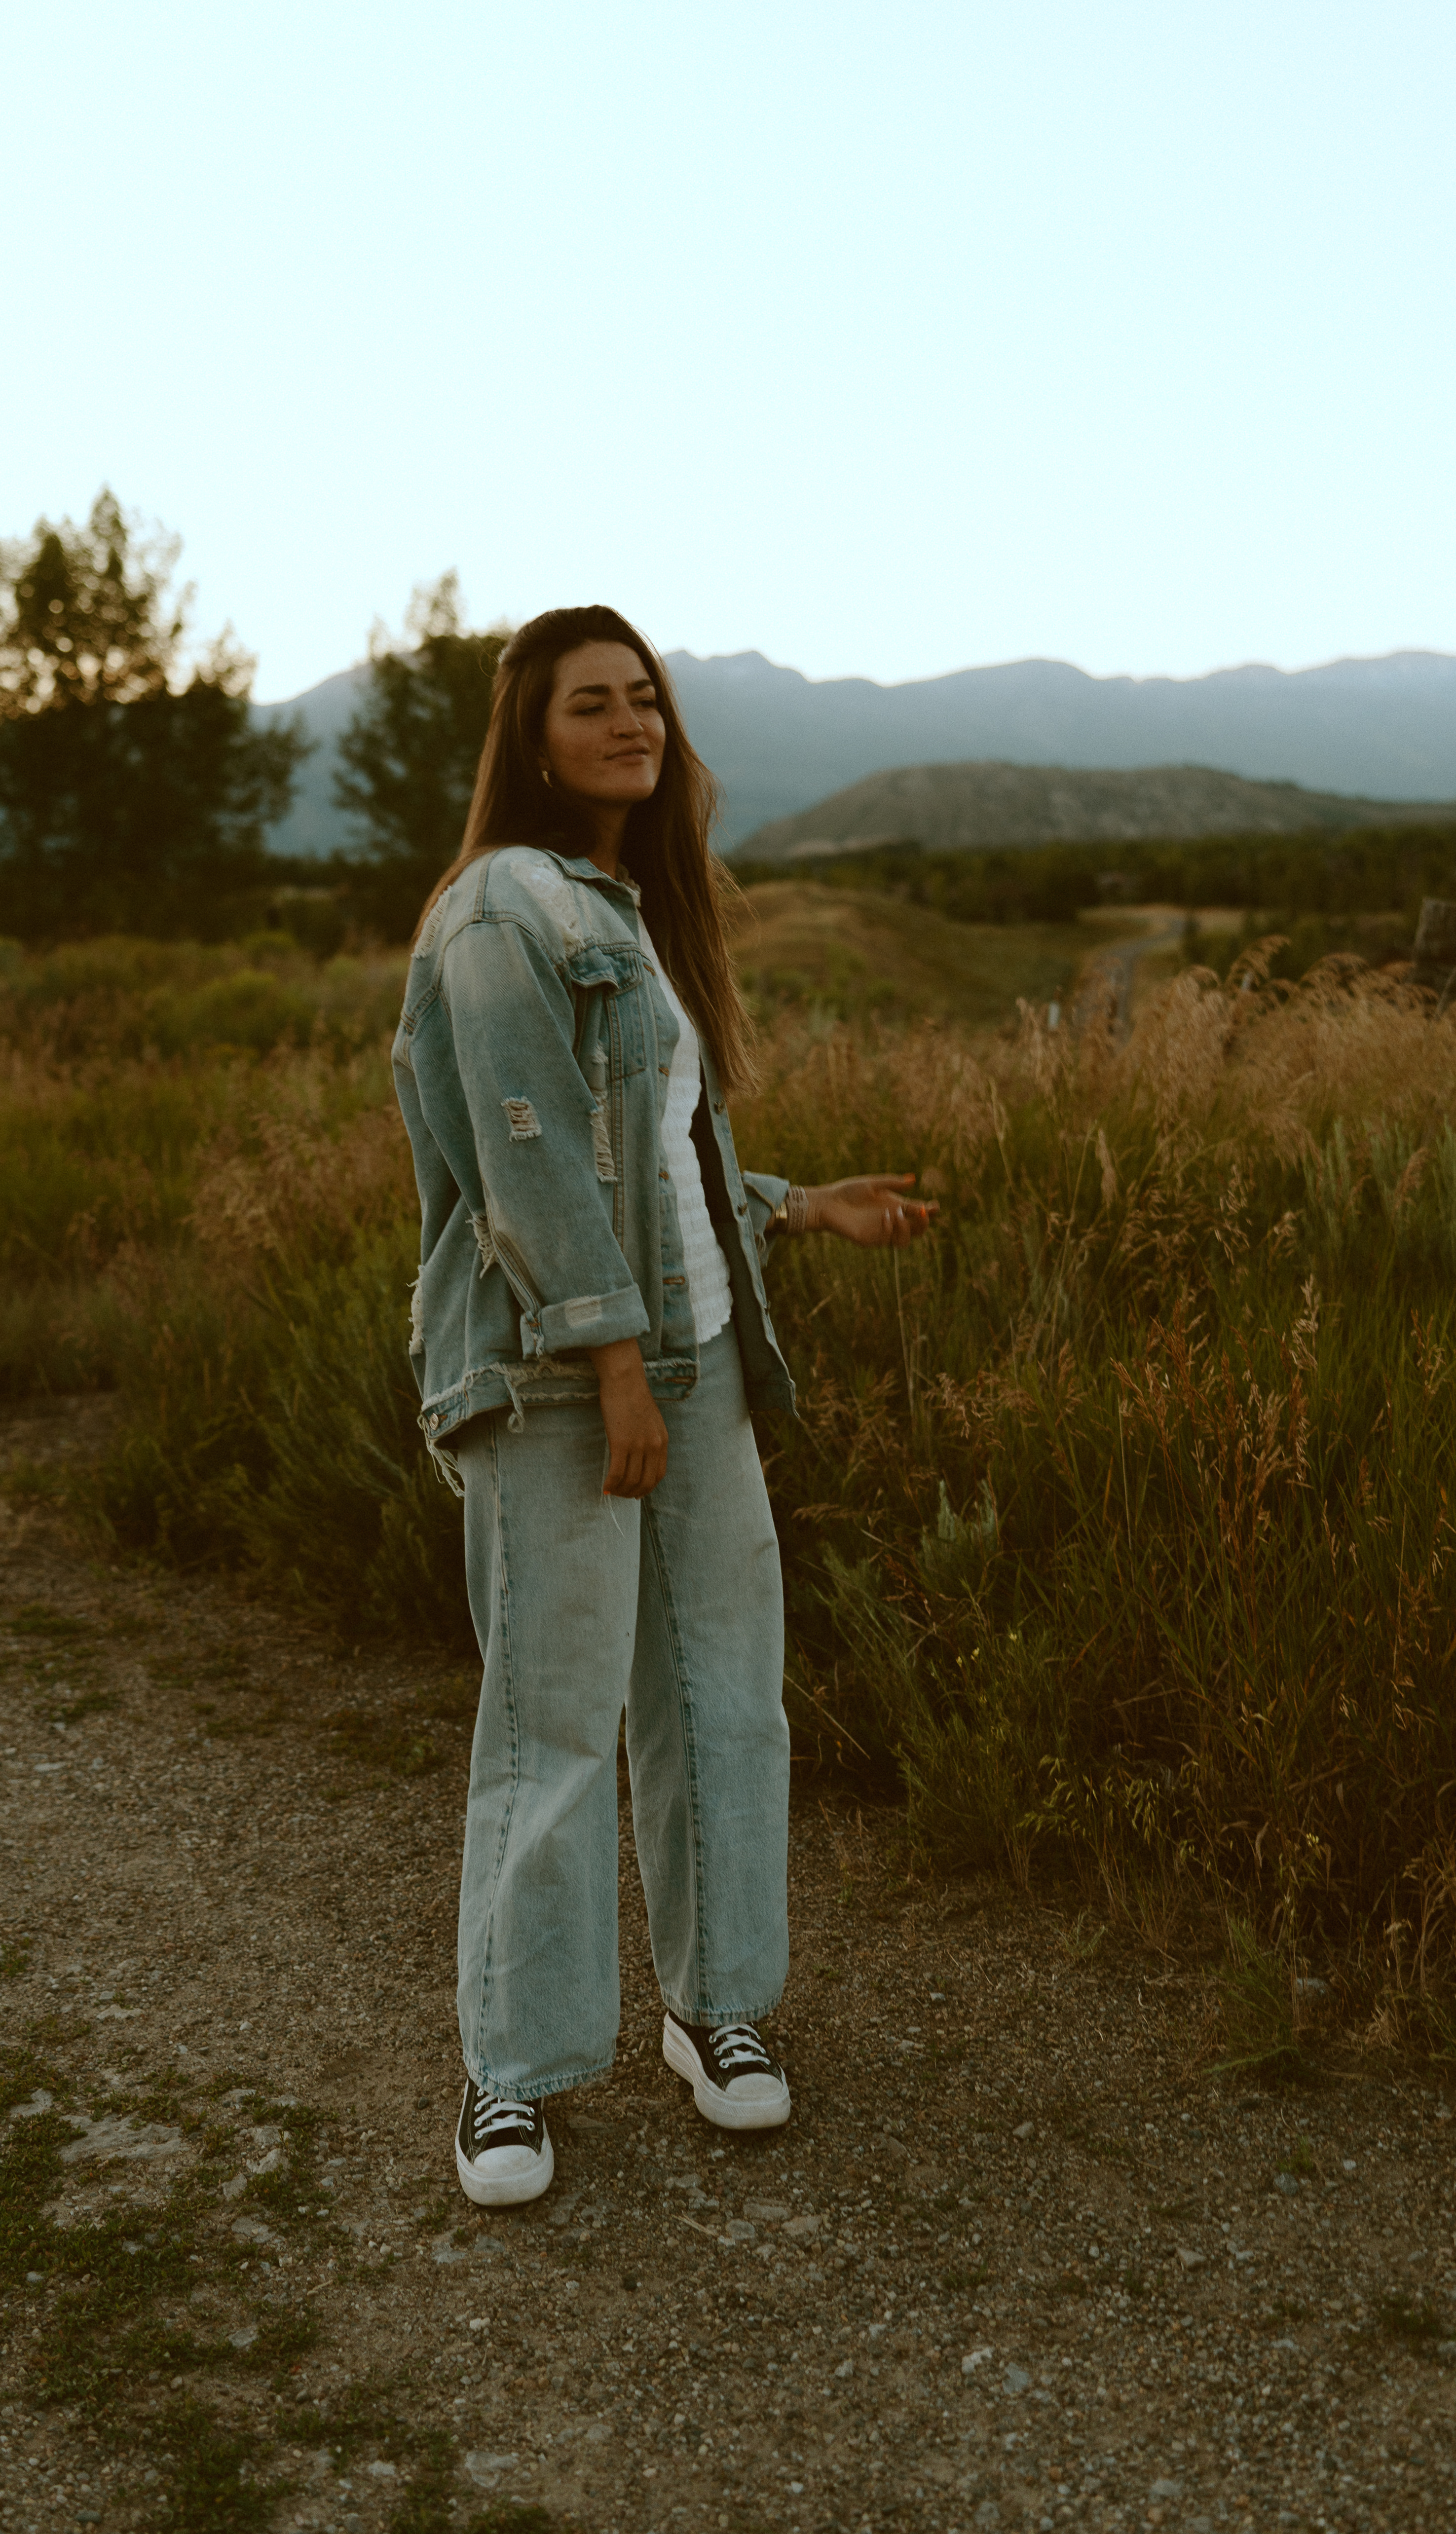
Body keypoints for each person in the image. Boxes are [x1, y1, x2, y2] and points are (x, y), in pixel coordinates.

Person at [392, 605, 934, 2207]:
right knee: (555, 1726)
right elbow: (531, 1152)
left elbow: (649, 1155)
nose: (629, 723)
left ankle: (721, 2014)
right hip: (569, 1384)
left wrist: (786, 1204)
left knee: (721, 1701)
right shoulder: (499, 910)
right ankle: (513, 2074)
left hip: (692, 1369)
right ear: (531, 738)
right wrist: (616, 1363)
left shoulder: (624, 908)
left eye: (645, 700)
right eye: (590, 704)